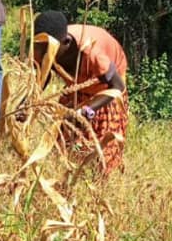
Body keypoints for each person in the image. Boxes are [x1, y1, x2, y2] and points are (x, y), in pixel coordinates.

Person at [32, 10, 129, 174]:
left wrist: (87, 110)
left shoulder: (93, 54)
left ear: (66, 42)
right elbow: (44, 73)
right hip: (77, 88)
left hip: (105, 93)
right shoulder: (45, 45)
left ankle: (99, 185)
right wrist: (29, 102)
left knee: (102, 153)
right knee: (65, 143)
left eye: (49, 50)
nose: (44, 54)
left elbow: (117, 87)